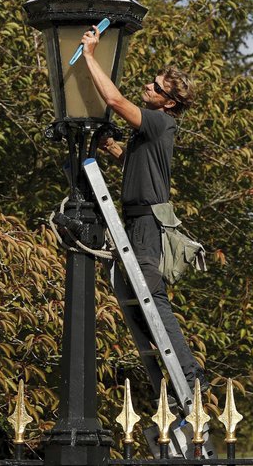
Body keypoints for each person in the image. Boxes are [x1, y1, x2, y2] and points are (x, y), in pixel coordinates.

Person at [79, 26, 207, 402]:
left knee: (151, 295)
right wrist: (115, 150)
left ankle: (190, 376)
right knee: (133, 299)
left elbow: (117, 101)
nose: (148, 88)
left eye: (157, 88)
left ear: (169, 102)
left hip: (148, 224)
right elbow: (141, 169)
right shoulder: (149, 132)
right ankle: (178, 375)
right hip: (137, 219)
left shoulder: (160, 121)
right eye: (152, 82)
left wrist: (89, 56)